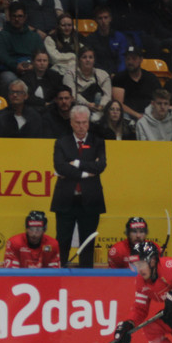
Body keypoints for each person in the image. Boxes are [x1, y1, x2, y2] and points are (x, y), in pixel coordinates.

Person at [50, 105, 105, 267]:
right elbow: (60, 167)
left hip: (90, 199)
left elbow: (100, 166)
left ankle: (86, 278)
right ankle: (59, 276)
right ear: (71, 123)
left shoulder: (98, 142)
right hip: (66, 198)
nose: (81, 126)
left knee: (87, 243)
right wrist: (85, 173)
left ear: (89, 123)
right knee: (62, 241)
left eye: (84, 122)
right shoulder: (61, 142)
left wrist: (76, 163)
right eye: (78, 123)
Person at [0, 1, 45, 92]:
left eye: (20, 16)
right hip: (9, 70)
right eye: (14, 16)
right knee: (9, 78)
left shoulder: (35, 36)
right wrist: (15, 66)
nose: (17, 19)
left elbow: (41, 54)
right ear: (9, 17)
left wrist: (33, 65)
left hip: (31, 69)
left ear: (25, 17)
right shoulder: (1, 35)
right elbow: (0, 55)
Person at [111, 45, 161, 121]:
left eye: (134, 59)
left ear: (141, 60)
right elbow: (119, 104)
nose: (130, 62)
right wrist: (138, 115)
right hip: (128, 115)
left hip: (150, 115)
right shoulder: (119, 78)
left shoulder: (151, 78)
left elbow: (160, 99)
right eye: (128, 59)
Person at [64, 48, 111, 124]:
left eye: (90, 57)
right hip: (77, 108)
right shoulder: (70, 73)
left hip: (99, 110)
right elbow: (71, 94)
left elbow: (107, 96)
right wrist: (87, 104)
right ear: (79, 60)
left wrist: (100, 106)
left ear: (94, 60)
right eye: (84, 57)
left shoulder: (103, 75)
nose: (88, 60)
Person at [44, 12, 79, 77]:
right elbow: (55, 59)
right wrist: (73, 56)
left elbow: (82, 57)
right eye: (63, 25)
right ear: (58, 26)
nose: (67, 28)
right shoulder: (50, 39)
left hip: (75, 72)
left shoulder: (78, 38)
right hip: (56, 73)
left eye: (69, 25)